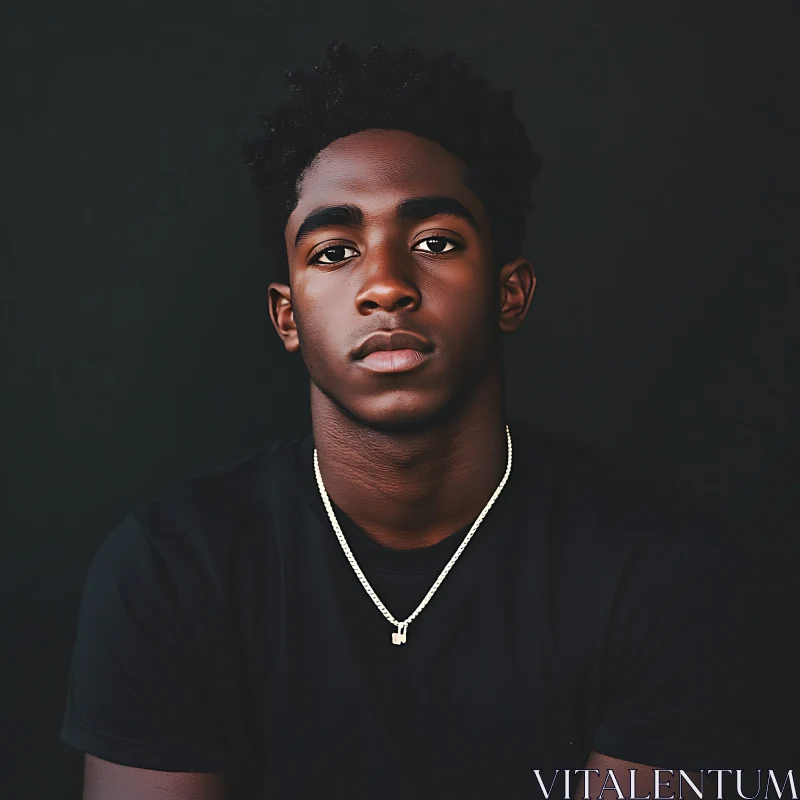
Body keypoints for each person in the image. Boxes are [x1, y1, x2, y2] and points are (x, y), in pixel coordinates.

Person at [60, 41, 755, 800]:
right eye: (334, 251)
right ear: (286, 316)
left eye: (435, 242)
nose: (385, 286)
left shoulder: (660, 571)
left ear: (509, 293)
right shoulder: (169, 569)